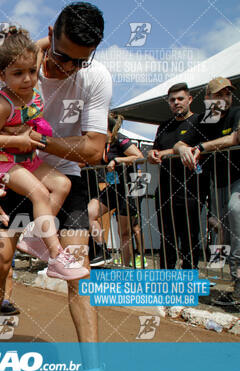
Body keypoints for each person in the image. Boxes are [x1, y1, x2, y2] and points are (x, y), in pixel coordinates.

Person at [0, 4, 127, 371]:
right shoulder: (18, 65)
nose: (69, 67)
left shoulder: (96, 78)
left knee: (78, 271)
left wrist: (38, 142)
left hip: (64, 177)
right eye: (62, 55)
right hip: (15, 174)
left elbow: (91, 149)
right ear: (50, 34)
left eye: (80, 61)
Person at [0, 25, 85, 280]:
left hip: (27, 159)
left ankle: (37, 236)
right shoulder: (4, 104)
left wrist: (53, 38)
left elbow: (38, 49)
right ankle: (56, 257)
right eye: (17, 74)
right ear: (1, 74)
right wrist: (21, 139)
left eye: (32, 72)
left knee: (62, 183)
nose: (27, 79)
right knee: (38, 192)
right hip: (3, 163)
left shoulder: (31, 84)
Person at [174, 76, 240, 304]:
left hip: (238, 179)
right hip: (218, 183)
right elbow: (181, 141)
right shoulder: (208, 119)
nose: (224, 98)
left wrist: (201, 147)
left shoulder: (237, 113)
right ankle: (236, 286)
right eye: (218, 95)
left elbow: (235, 138)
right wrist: (182, 148)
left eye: (227, 94)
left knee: (236, 211)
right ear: (209, 98)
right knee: (226, 231)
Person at [148, 82, 209, 270]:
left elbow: (187, 146)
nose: (176, 102)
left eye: (180, 98)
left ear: (189, 99)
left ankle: (187, 280)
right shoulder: (164, 126)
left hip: (191, 189)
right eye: (172, 100)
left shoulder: (200, 121)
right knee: (167, 236)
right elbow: (156, 151)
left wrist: (164, 153)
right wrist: (151, 154)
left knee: (189, 237)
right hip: (165, 189)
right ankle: (167, 279)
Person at [88, 114, 144, 268]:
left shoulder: (120, 139)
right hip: (113, 188)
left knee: (124, 232)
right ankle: (103, 251)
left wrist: (118, 160)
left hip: (128, 188)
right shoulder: (100, 144)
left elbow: (139, 156)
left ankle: (127, 267)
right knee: (90, 213)